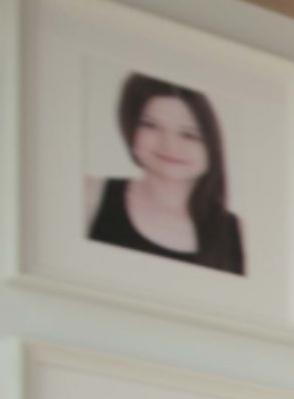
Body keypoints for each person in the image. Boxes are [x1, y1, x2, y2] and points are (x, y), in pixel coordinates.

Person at [83, 73, 245, 275]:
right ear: (130, 127)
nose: (169, 145)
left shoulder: (239, 233)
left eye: (189, 134)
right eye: (150, 125)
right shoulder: (90, 194)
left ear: (212, 144)